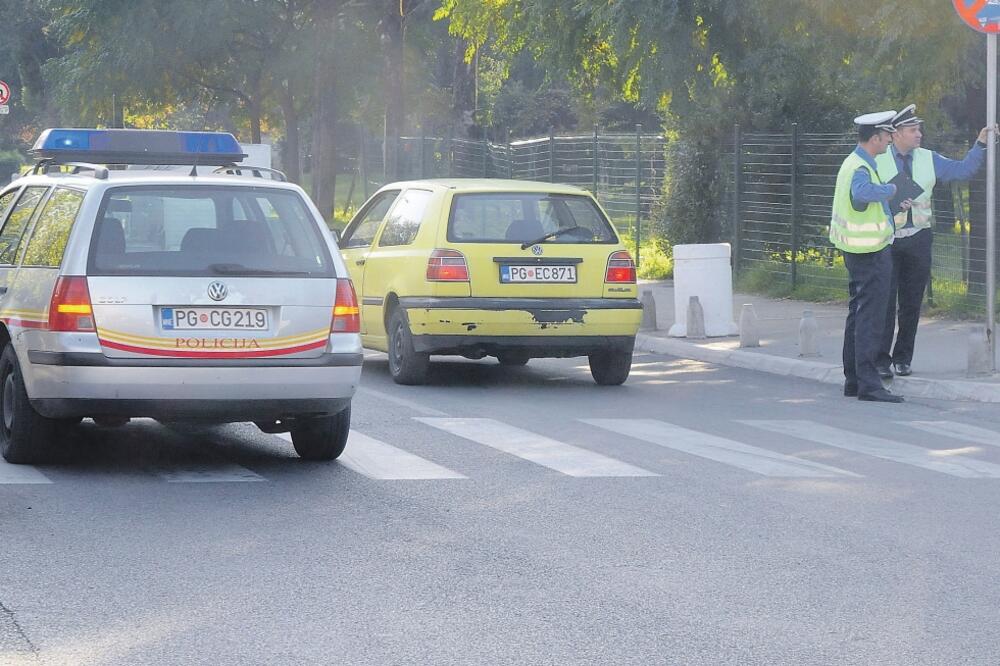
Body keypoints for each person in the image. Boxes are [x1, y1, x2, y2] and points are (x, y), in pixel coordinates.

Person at [875, 104, 993, 377]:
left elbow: (962, 171)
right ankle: (880, 360)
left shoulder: (929, 158)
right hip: (886, 239)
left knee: (912, 301)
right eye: (913, 130)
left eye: (919, 130)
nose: (919, 135)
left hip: (918, 238)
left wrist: (980, 144)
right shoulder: (878, 159)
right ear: (895, 134)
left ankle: (902, 358)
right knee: (884, 300)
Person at [830, 111, 905, 402]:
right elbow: (861, 195)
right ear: (875, 138)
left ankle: (854, 379)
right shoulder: (861, 168)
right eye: (886, 136)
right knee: (871, 318)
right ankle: (869, 384)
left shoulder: (853, 162)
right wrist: (889, 189)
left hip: (856, 249)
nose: (889, 141)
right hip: (870, 251)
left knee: (857, 314)